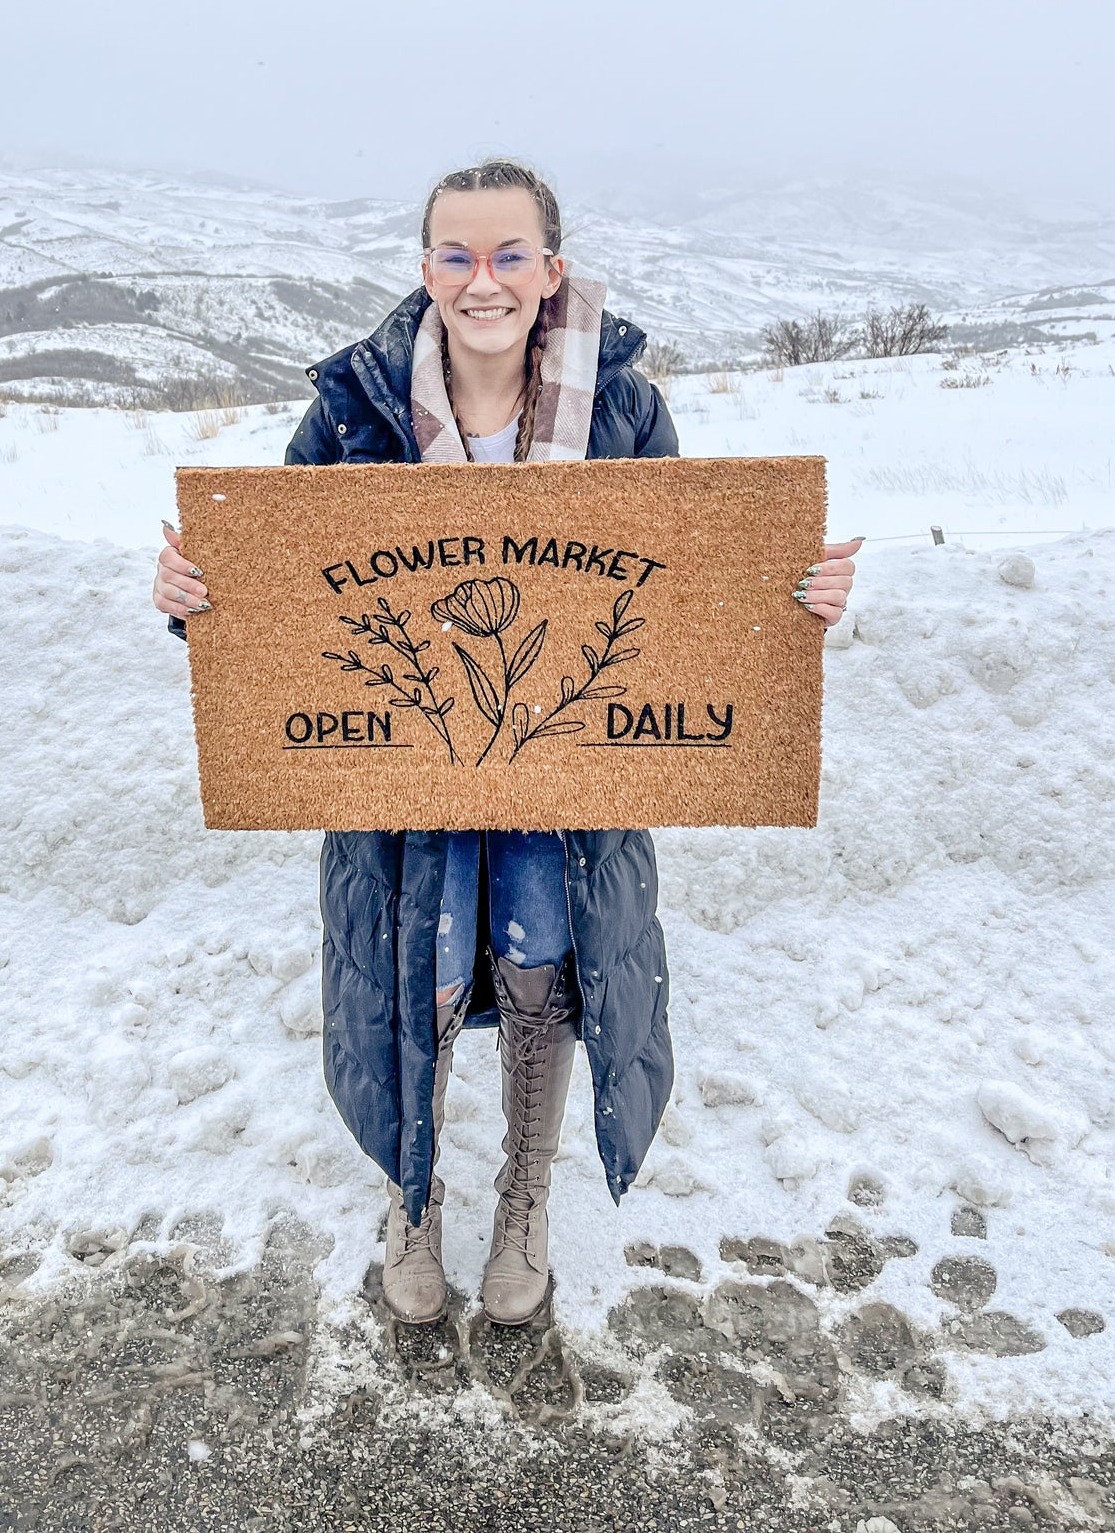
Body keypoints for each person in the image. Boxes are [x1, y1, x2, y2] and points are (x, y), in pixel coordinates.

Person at [153, 160, 858, 1327]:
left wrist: (791, 598)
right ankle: (412, 1194)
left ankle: (523, 1195)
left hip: (568, 768)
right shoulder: (350, 408)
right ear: (423, 266)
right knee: (411, 970)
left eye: (507, 255)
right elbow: (274, 592)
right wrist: (194, 592)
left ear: (551, 267)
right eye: (454, 255)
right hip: (399, 769)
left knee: (546, 962)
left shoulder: (622, 408)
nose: (481, 281)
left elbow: (689, 584)